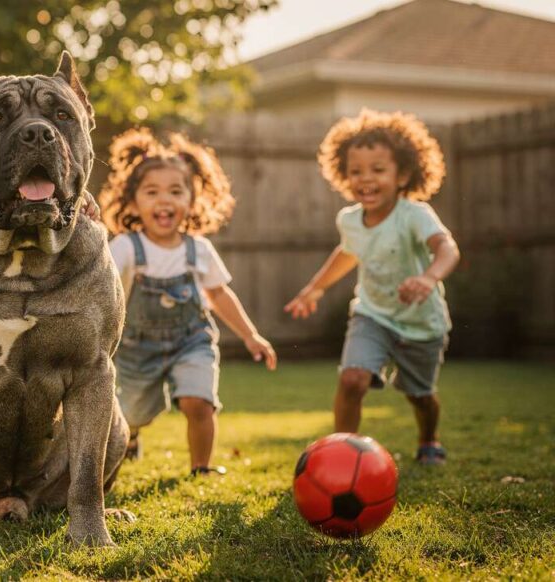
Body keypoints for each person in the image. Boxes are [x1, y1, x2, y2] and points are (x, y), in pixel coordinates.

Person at [285, 109, 460, 466]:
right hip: (372, 315)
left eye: (378, 170)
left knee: (420, 394)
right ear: (343, 175)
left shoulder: (414, 214)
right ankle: (341, 451)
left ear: (404, 174)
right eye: (356, 171)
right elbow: (348, 253)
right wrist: (315, 289)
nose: (366, 179)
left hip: (421, 324)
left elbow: (447, 249)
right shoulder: (349, 220)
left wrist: (428, 278)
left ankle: (429, 440)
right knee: (352, 380)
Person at [98, 128, 277, 477]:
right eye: (152, 192)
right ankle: (130, 435)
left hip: (191, 342)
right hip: (137, 348)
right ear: (133, 202)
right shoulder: (124, 247)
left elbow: (220, 294)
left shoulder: (199, 250)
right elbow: (106, 294)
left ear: (192, 200)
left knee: (200, 402)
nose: (164, 200)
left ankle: (201, 467)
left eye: (176, 191)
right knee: (130, 413)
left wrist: (251, 335)